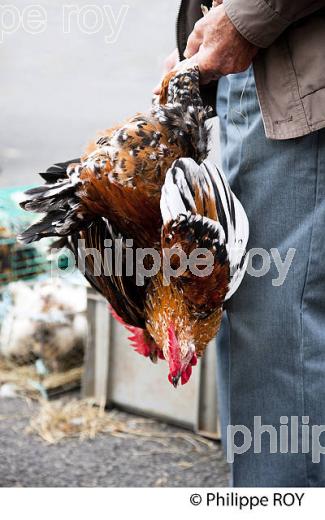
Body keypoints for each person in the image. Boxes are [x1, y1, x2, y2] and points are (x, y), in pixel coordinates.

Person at [155, 0, 325, 487]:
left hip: (291, 64)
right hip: (267, 59)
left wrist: (247, 17)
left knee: (279, 329)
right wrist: (199, 35)